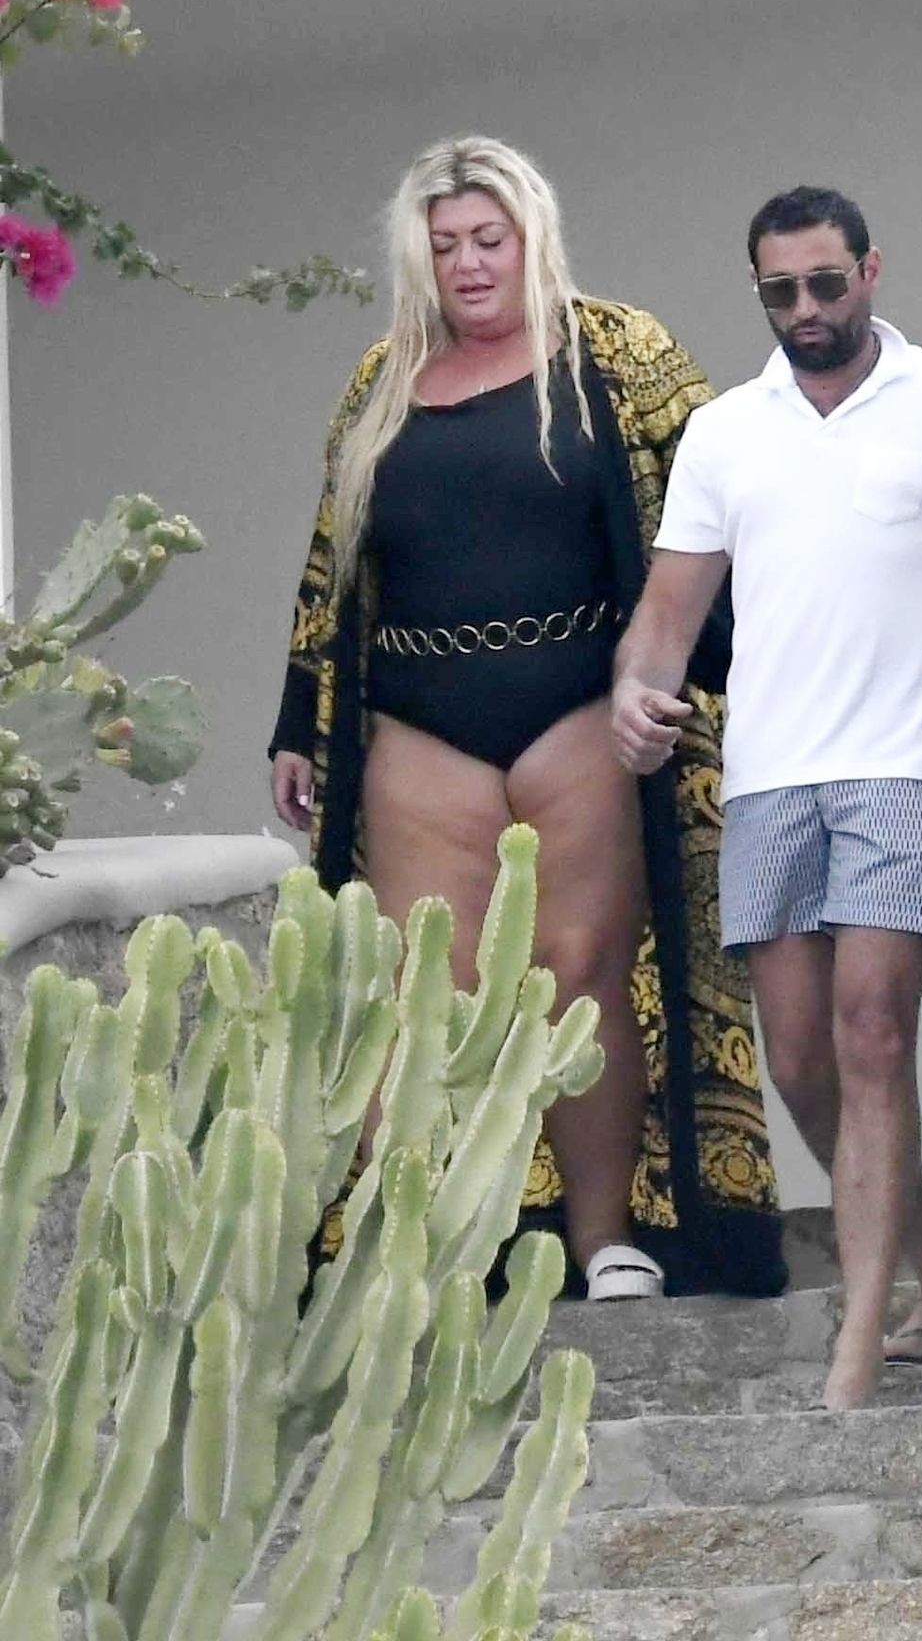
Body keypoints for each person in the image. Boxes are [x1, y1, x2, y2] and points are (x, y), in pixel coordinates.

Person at [268, 135, 786, 1303]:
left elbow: (718, 512)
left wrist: (732, 668)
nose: (468, 263)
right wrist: (299, 717)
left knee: (578, 971)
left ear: (529, 237)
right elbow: (331, 563)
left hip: (581, 707)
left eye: (487, 240)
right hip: (418, 716)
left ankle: (603, 1240)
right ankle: (422, 1245)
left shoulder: (620, 353)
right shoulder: (380, 380)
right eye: (446, 244)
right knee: (423, 990)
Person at [611, 184, 922, 1404]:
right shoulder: (726, 431)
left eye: (826, 283)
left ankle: (855, 1349)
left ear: (870, 271)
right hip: (769, 779)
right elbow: (667, 614)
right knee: (799, 1063)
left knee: (872, 1029)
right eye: (780, 290)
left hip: (909, 770)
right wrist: (635, 694)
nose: (806, 308)